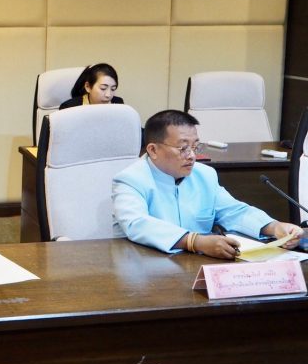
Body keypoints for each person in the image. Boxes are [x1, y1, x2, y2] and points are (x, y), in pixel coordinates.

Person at [112, 110, 302, 259]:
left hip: (198, 264)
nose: (192, 156)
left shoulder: (204, 175)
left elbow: (233, 211)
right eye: (183, 148)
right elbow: (137, 224)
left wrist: (274, 227)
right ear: (153, 150)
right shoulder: (130, 179)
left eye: (195, 146)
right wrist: (195, 241)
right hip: (147, 267)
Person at [59, 63, 124, 109]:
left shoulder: (118, 103)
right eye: (103, 88)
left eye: (113, 89)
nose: (108, 95)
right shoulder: (69, 107)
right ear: (88, 87)